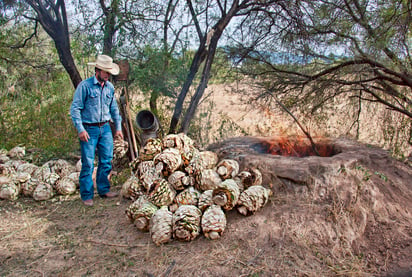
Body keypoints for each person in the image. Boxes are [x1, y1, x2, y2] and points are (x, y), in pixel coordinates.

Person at [70, 55, 123, 206]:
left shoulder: (109, 88)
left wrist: (118, 128)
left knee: (106, 160)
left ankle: (103, 189)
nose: (107, 75)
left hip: (105, 128)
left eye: (109, 72)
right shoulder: (85, 86)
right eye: (105, 72)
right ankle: (86, 195)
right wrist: (80, 129)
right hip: (89, 129)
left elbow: (114, 109)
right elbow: (75, 109)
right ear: (97, 70)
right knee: (88, 163)